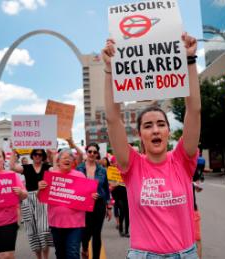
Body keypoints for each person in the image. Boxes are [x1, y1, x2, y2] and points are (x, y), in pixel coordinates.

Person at [102, 33, 201, 258]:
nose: (155, 130)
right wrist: (110, 70)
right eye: (148, 126)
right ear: (139, 135)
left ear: (168, 131)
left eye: (160, 124)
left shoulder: (183, 160)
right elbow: (112, 119)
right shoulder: (131, 164)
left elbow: (193, 111)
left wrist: (190, 61)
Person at [38, 149, 88, 259]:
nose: (67, 159)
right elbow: (41, 198)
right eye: (64, 157)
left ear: (73, 162)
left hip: (75, 224)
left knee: (72, 253)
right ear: (58, 161)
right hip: (56, 223)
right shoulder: (51, 176)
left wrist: (92, 196)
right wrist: (40, 190)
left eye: (69, 157)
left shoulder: (80, 176)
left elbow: (87, 197)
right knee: (60, 254)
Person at [10, 149, 53, 259]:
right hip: (28, 198)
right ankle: (38, 257)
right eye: (35, 154)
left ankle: (46, 257)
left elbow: (56, 169)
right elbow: (12, 167)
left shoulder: (47, 167)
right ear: (32, 156)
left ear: (43, 156)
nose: (37, 156)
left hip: (43, 198)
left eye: (40, 154)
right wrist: (13, 151)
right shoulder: (27, 167)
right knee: (32, 230)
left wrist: (52, 153)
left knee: (44, 230)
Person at [75, 143, 111, 259]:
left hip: (99, 204)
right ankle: (85, 248)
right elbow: (74, 187)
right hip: (83, 205)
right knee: (85, 233)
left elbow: (105, 188)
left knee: (97, 234)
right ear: (86, 152)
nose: (92, 154)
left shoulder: (102, 170)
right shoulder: (79, 168)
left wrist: (109, 207)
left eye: (94, 152)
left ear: (97, 154)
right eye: (90, 151)